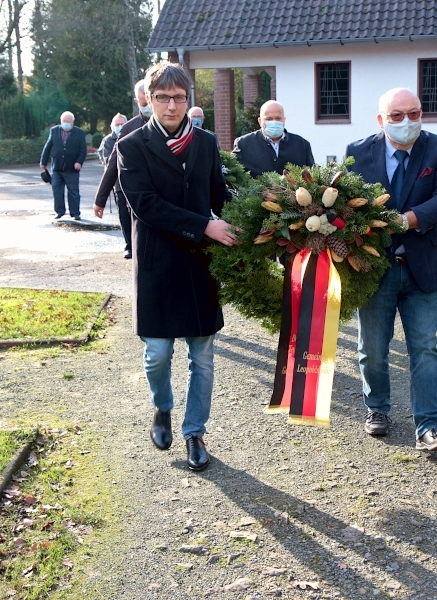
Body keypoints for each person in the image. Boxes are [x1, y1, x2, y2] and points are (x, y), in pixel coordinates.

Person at [117, 62, 235, 471]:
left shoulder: (205, 142)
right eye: (163, 97)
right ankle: (162, 408)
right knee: (157, 354)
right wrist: (206, 226)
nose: (172, 105)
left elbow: (218, 194)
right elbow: (145, 205)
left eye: (179, 97)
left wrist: (252, 222)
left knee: (202, 356)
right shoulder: (130, 146)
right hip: (157, 265)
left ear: (189, 99)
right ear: (149, 99)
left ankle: (195, 432)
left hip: (199, 265)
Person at [344, 88, 437, 452]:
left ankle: (429, 426)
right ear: (381, 120)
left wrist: (407, 220)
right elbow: (343, 204)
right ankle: (377, 409)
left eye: (414, 113)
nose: (406, 122)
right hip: (374, 268)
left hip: (423, 266)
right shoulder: (357, 152)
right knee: (373, 348)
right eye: (396, 116)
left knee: (424, 347)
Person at [94, 80, 153, 258]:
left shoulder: (174, 124)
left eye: (149, 102)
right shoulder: (129, 128)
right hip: (137, 193)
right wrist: (100, 198)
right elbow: (113, 162)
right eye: (143, 104)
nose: (148, 107)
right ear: (137, 102)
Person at [231, 100, 314, 178]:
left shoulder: (302, 145)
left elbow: (312, 177)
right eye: (269, 119)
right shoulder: (243, 144)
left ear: (284, 120)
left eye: (278, 118)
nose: (274, 122)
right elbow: (233, 177)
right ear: (260, 121)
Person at [40, 111, 86, 220]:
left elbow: (83, 151)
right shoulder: (54, 130)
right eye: (64, 121)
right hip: (57, 168)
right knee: (57, 190)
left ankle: (75, 213)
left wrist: (79, 162)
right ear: (61, 121)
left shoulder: (79, 133)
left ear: (73, 122)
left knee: (73, 192)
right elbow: (48, 147)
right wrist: (43, 161)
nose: (66, 123)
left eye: (68, 122)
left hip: (72, 168)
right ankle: (59, 211)